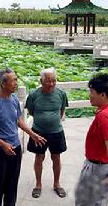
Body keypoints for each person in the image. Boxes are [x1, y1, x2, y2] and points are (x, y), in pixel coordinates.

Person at [0, 68, 46, 206]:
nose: (16, 83)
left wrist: (32, 134)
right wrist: (3, 144)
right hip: (0, 152)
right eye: (13, 80)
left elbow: (17, 120)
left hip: (15, 148)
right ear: (3, 84)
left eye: (16, 79)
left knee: (12, 185)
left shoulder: (14, 100)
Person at [75, 73, 108, 206]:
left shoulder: (104, 117)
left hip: (97, 169)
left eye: (92, 91)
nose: (89, 95)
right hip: (101, 166)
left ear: (103, 94)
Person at [25, 68, 68, 198]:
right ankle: (38, 184)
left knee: (56, 157)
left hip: (56, 132)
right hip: (38, 132)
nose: (51, 84)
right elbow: (31, 111)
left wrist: (52, 120)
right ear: (41, 81)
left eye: (54, 81)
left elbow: (62, 111)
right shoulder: (33, 95)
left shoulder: (61, 94)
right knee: (39, 157)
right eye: (48, 81)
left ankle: (56, 184)